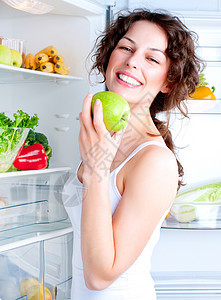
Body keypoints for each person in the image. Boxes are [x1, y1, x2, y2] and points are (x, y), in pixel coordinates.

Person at [63, 8, 203, 300]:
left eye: (152, 58)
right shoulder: (101, 137)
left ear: (169, 82)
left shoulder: (155, 161)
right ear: (108, 58)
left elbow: (100, 276)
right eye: (126, 47)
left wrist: (95, 169)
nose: (131, 61)